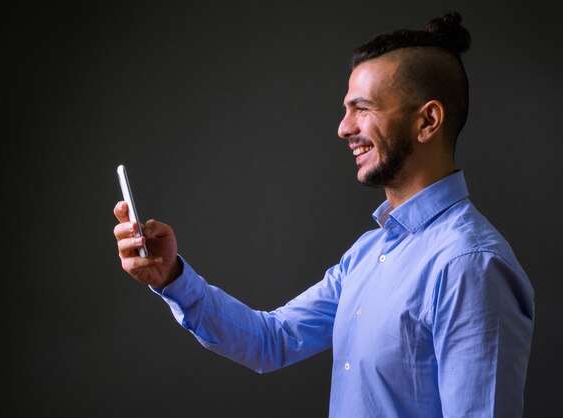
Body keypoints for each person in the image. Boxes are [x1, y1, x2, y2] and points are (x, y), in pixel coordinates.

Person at [113, 10, 534, 418]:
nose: (343, 127)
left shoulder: (471, 266)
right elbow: (271, 340)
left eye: (363, 109)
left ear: (428, 121)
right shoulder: (367, 255)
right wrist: (171, 278)